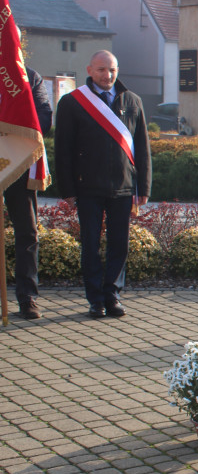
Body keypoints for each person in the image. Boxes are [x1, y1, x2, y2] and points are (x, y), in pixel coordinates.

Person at [55, 50, 151, 318]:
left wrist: (143, 187)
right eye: (101, 70)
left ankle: (112, 295)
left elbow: (142, 148)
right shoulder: (73, 102)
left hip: (122, 186)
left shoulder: (132, 101)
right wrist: (68, 190)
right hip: (87, 188)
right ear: (89, 70)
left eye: (112, 70)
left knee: (119, 244)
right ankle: (95, 299)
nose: (107, 76)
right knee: (90, 245)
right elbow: (63, 150)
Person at [3, 62, 52, 319]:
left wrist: (13, 138)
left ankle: (27, 297)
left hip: (18, 164)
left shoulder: (30, 77)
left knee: (27, 232)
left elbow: (44, 116)